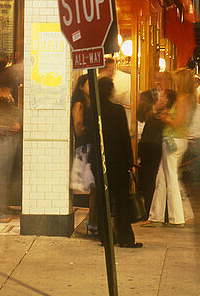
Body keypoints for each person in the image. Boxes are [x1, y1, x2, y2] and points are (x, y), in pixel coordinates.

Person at [91, 76, 140, 248]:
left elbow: (90, 135)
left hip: (99, 160)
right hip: (118, 160)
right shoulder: (117, 110)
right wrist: (130, 161)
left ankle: (105, 237)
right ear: (111, 91)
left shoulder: (93, 110)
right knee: (121, 200)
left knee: (103, 200)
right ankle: (125, 237)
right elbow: (124, 137)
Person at [149, 68, 196, 226]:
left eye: (176, 81)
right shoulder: (190, 98)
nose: (174, 84)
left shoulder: (183, 98)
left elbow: (177, 123)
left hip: (173, 139)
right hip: (178, 139)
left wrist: (166, 117)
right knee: (162, 178)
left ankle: (177, 218)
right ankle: (156, 216)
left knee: (170, 179)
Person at [0, 62, 21, 222]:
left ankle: (0, 209)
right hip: (1, 139)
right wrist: (6, 127)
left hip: (8, 139)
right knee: (1, 176)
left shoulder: (6, 91)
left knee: (4, 176)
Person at [136, 72, 172, 211]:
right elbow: (140, 116)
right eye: (157, 79)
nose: (159, 82)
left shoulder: (172, 95)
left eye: (163, 80)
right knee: (148, 176)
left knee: (166, 176)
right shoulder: (146, 95)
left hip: (168, 138)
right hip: (150, 140)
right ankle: (149, 209)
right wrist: (155, 108)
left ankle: (166, 210)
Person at [70, 74, 97, 234]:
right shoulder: (79, 103)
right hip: (85, 147)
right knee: (93, 185)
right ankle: (92, 222)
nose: (91, 87)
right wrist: (87, 130)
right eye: (88, 84)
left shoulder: (89, 102)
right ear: (81, 86)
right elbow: (78, 127)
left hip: (89, 145)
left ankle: (92, 220)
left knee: (94, 187)